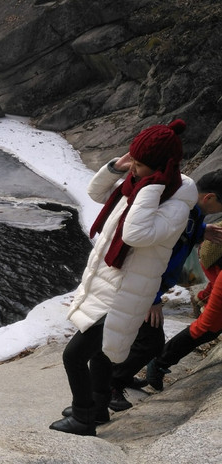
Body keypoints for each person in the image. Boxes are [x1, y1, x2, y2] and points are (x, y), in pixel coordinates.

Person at [49, 119, 196, 436]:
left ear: (159, 170)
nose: (134, 170)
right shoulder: (136, 184)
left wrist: (152, 185)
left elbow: (136, 233)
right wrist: (120, 165)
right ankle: (97, 408)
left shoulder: (175, 202)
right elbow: (96, 192)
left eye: (140, 165)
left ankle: (83, 417)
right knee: (101, 356)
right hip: (109, 284)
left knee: (74, 356)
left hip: (125, 292)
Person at [108, 170, 222, 411]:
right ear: (210, 198)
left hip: (147, 286)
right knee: (149, 343)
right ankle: (112, 385)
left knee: (143, 338)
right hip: (143, 286)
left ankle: (121, 377)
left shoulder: (190, 212)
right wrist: (154, 296)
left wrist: (202, 231)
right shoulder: (183, 213)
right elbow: (155, 255)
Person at [146, 216, 222, 391]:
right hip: (214, 258)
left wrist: (204, 295)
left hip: (213, 258)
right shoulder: (213, 260)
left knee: (209, 328)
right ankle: (159, 363)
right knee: (206, 328)